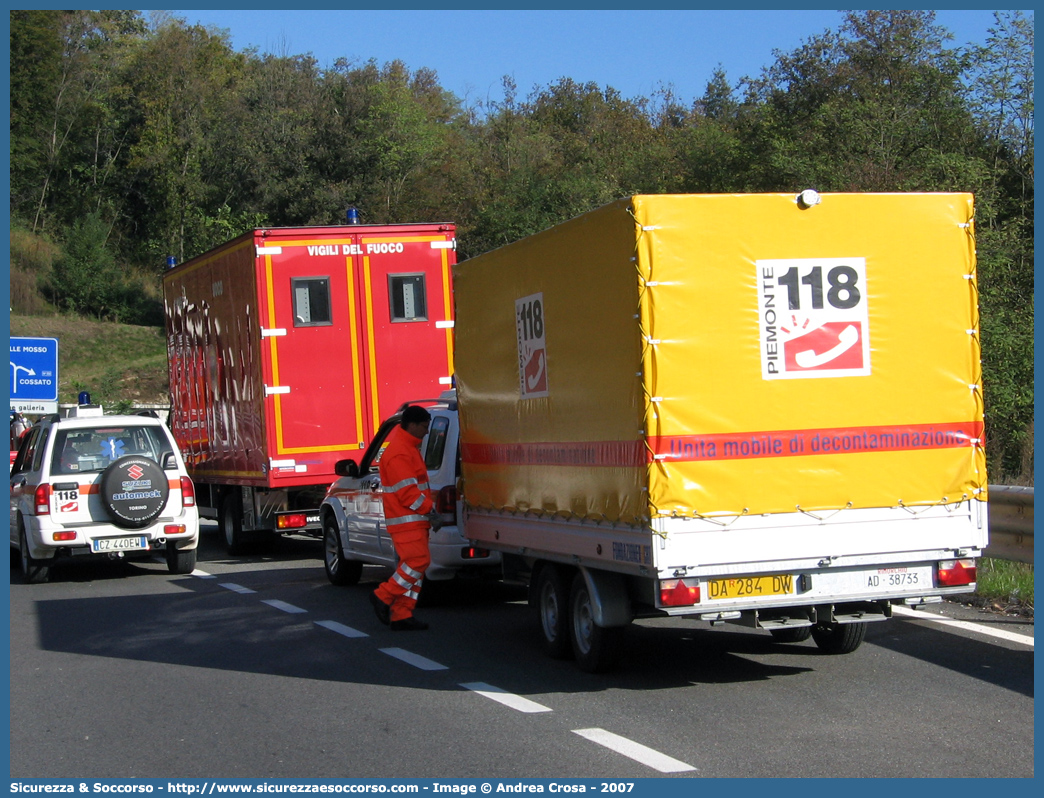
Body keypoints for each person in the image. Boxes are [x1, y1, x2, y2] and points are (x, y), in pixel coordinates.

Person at [369, 405, 441, 631]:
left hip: (411, 521)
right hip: (407, 520)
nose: (427, 431)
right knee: (418, 562)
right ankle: (383, 596)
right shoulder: (400, 452)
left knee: (414, 566)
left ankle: (402, 614)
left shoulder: (407, 448)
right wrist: (430, 510)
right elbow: (407, 492)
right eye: (424, 426)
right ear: (411, 425)